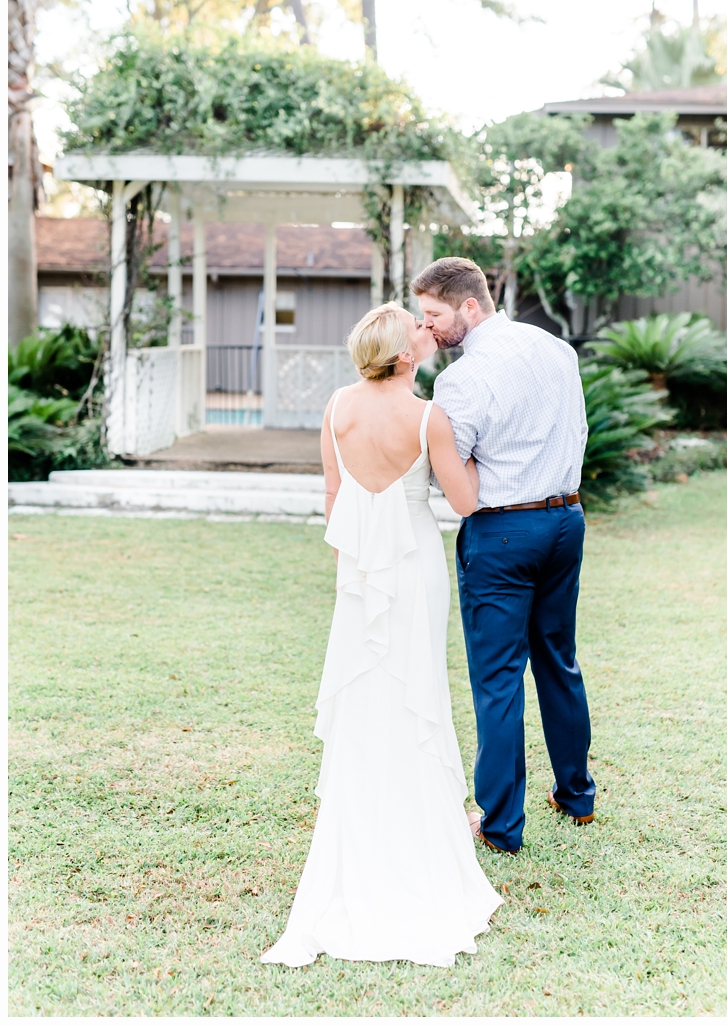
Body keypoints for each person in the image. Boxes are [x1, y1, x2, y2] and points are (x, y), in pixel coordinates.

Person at [261, 302, 502, 968]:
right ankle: (420, 839)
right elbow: (464, 501)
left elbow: (335, 499)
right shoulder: (429, 417)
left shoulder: (337, 408)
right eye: (418, 331)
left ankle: (366, 826)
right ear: (404, 356)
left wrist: (357, 575)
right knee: (416, 689)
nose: (428, 334)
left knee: (367, 696)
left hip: (360, 574)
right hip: (414, 566)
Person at [413, 257, 595, 856]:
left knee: (497, 681)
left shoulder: (461, 381)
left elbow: (458, 482)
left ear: (470, 305)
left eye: (434, 315)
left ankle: (499, 825)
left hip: (503, 534)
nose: (428, 327)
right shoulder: (556, 349)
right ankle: (576, 796)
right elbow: (577, 433)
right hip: (566, 519)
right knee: (558, 660)